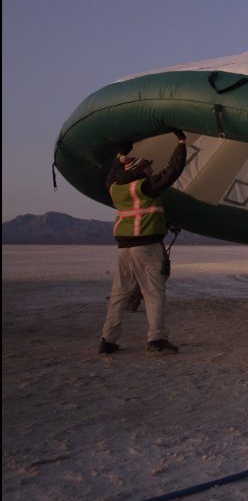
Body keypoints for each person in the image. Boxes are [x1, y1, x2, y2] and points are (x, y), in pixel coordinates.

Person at [98, 128, 188, 356]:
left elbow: (111, 178)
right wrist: (181, 143)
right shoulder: (145, 186)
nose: (151, 170)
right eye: (147, 167)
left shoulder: (115, 190)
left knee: (119, 293)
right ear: (138, 171)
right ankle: (156, 339)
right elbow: (172, 171)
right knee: (154, 292)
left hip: (124, 249)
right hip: (146, 248)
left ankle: (107, 340)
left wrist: (120, 156)